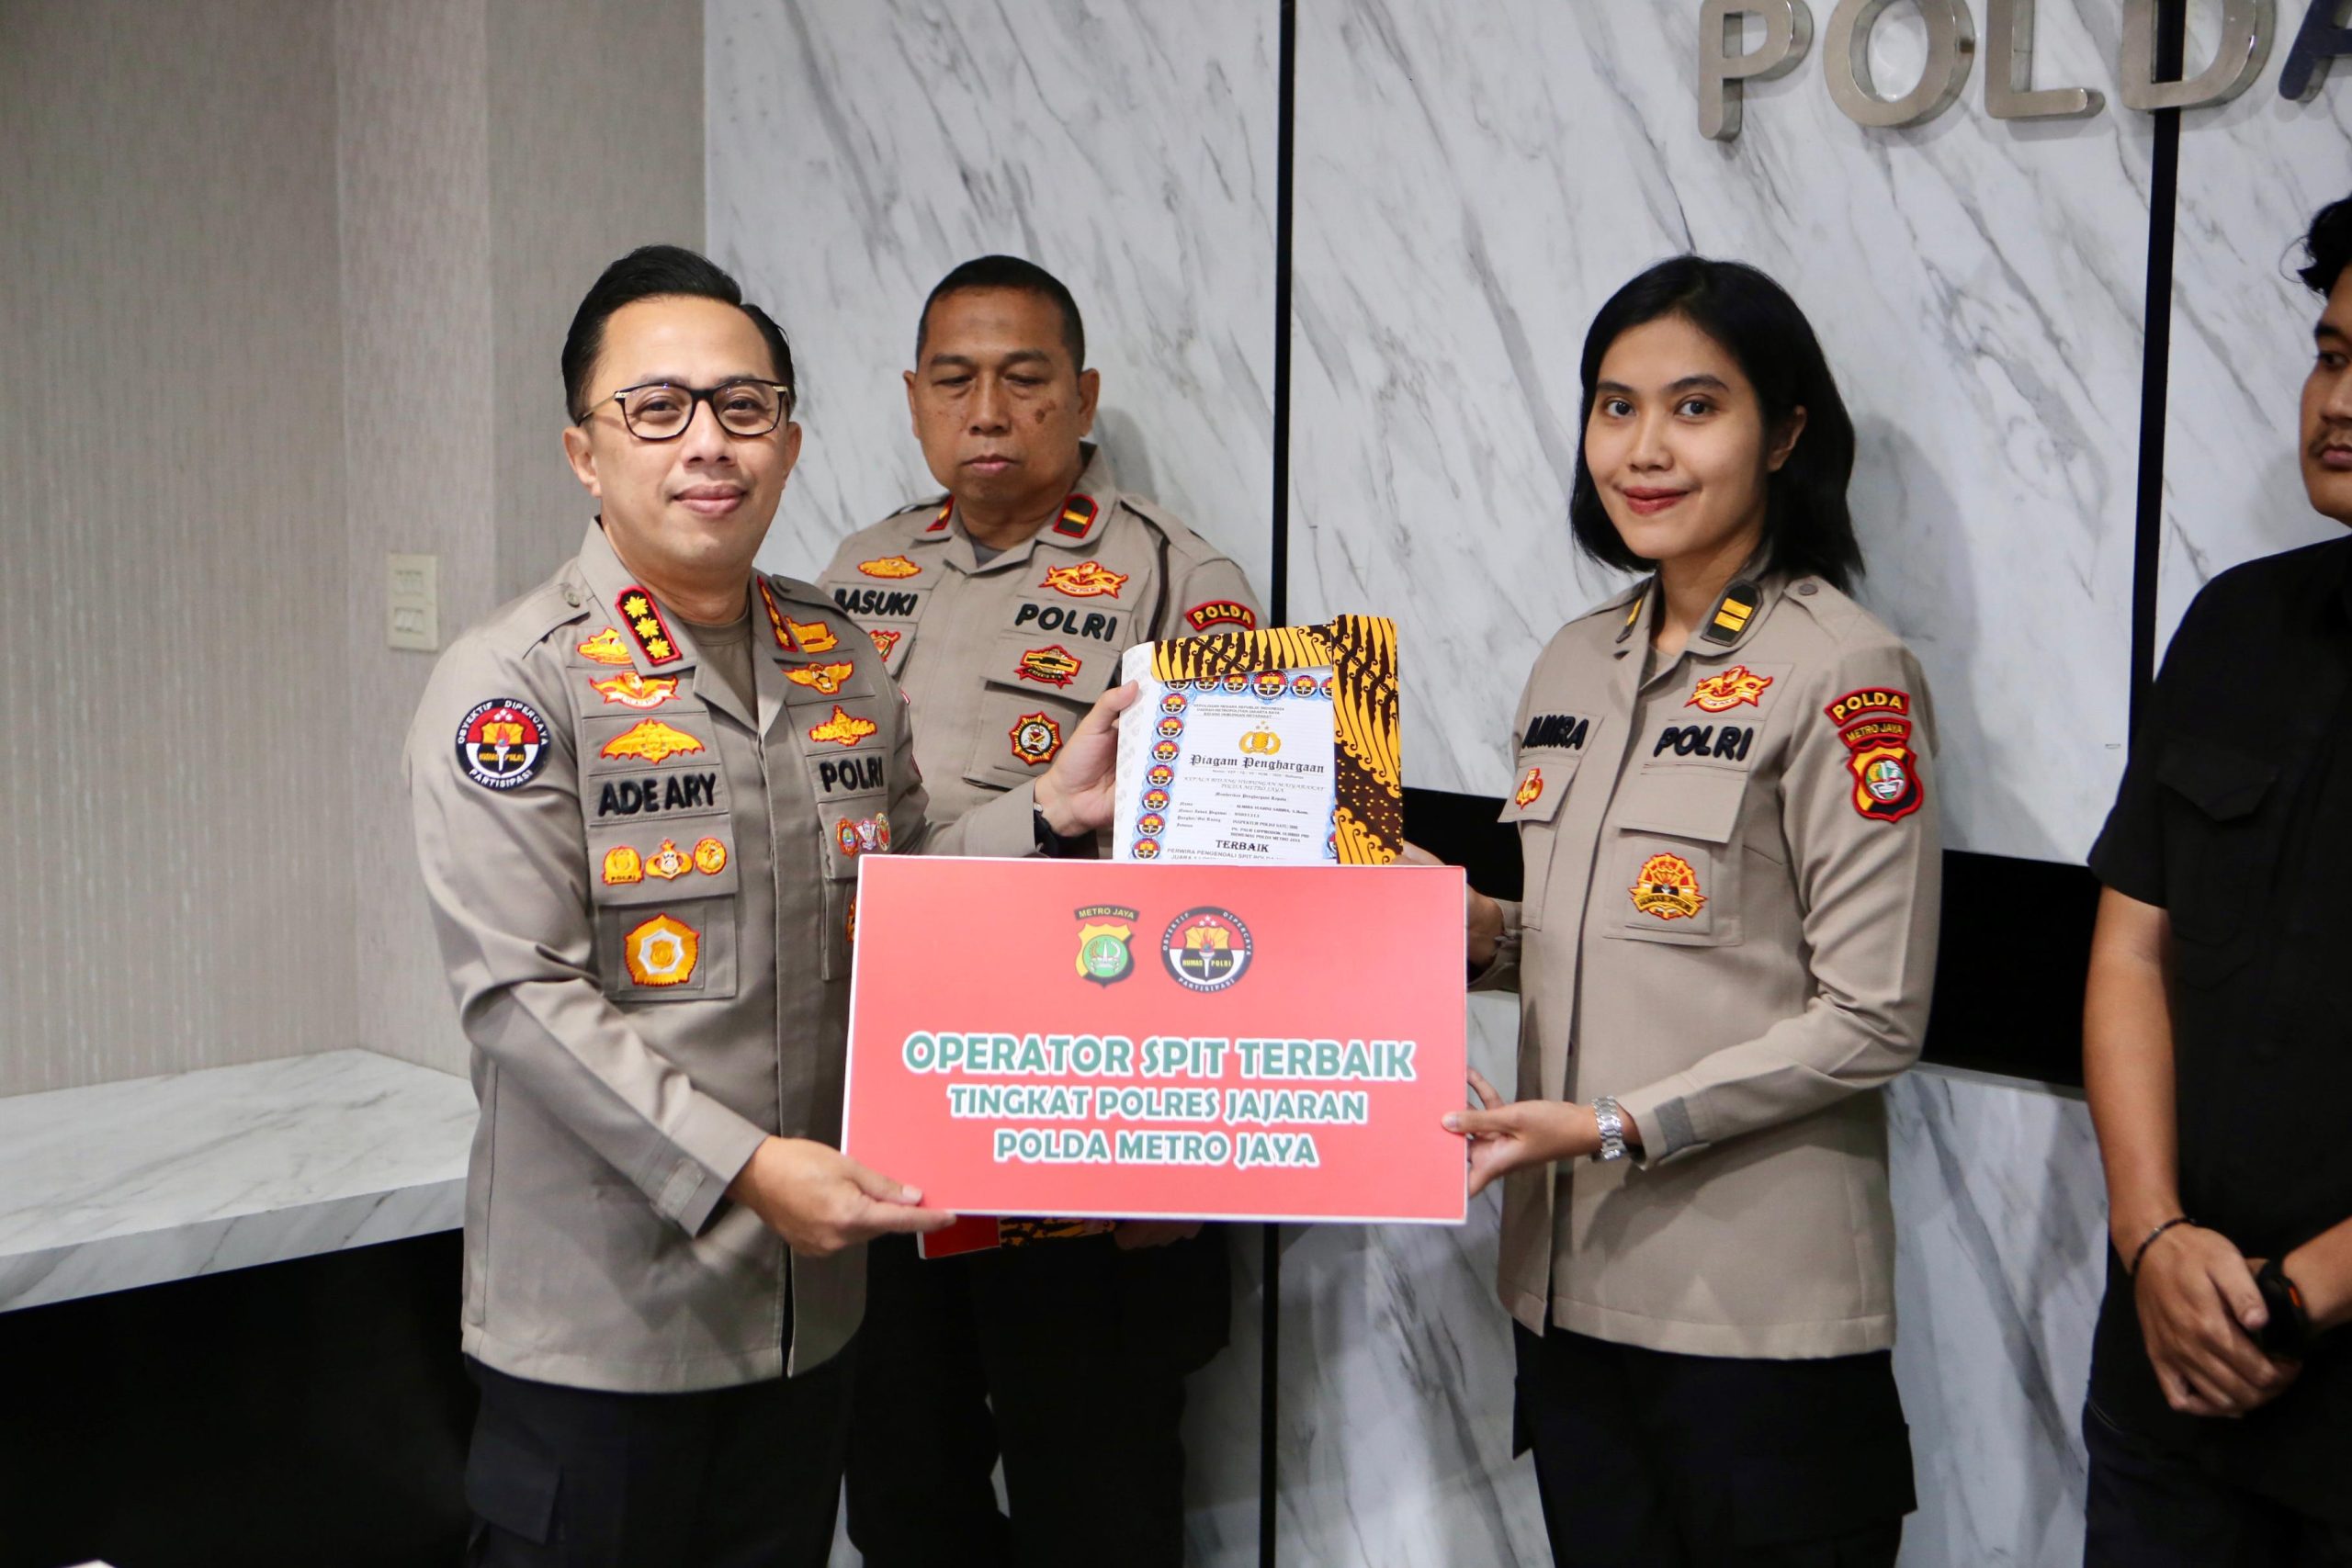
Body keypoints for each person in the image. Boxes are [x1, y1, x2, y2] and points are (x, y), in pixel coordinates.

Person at [404, 244, 1127, 1568]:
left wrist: (1050, 810)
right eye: (656, 408)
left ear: (788, 444)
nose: (708, 443)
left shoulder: (836, 651)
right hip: (607, 1333)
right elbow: (518, 995)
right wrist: (747, 1170)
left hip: (811, 1321)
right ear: (584, 453)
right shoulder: (513, 682)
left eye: (744, 407)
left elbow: (903, 882)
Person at [1434, 256, 1939, 1567]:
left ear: (1785, 434)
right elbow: (1620, 937)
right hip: (1565, 1298)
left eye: (1695, 408)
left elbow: (1874, 1018)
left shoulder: (1845, 669)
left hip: (1754, 1323)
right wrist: (1476, 932)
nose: (1644, 449)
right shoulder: (1572, 660)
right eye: (1616, 407)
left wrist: (1614, 1124)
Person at [817, 254, 1256, 1568]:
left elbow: (1229, 884)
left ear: (1084, 395)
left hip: (1082, 1111)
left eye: (1025, 378)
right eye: (955, 381)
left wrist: (1179, 1156)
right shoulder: (858, 569)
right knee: (905, 1484)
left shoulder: (1182, 575)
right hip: (895, 1102)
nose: (989, 412)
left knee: (1096, 1497)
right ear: (914, 398)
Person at [2078, 196, 2352, 1565]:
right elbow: (2134, 949)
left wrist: (2295, 1298)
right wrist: (2152, 1236)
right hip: (2169, 1378)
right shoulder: (2241, 622)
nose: (2338, 402)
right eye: (2332, 355)